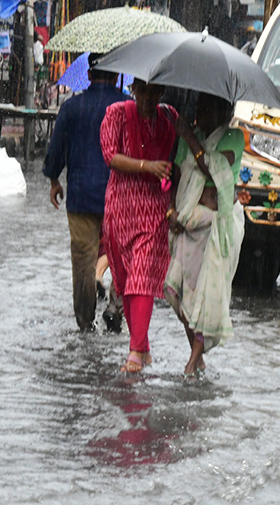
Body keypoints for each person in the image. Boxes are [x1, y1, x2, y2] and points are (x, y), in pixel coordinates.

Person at [42, 57, 128, 331]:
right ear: (116, 75)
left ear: (89, 74)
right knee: (123, 257)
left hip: (80, 196)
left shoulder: (71, 108)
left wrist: (54, 180)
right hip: (120, 197)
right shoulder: (128, 108)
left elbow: (56, 151)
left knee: (83, 260)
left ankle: (85, 322)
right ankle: (116, 308)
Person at [100, 79, 178, 373]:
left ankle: (134, 353)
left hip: (154, 210)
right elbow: (110, 156)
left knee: (141, 277)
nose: (148, 97)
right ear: (133, 88)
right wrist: (147, 166)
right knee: (126, 280)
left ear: (162, 92)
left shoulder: (170, 118)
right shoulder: (116, 114)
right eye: (142, 90)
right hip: (121, 208)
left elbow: (179, 158)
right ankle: (142, 348)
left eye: (155, 91)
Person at [164, 93, 245, 377]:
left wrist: (188, 136)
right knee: (177, 290)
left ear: (224, 111)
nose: (201, 112)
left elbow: (212, 166)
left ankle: (192, 362)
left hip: (217, 225)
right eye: (200, 106)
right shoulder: (192, 136)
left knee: (207, 295)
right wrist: (170, 210)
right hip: (188, 220)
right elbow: (176, 174)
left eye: (208, 107)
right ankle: (196, 356)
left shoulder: (235, 137)